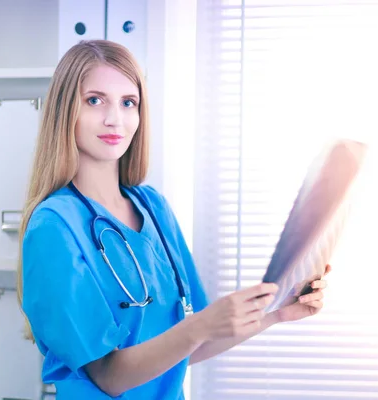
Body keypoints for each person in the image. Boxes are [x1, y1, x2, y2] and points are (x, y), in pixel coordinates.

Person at [18, 40, 330, 400]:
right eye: (94, 100)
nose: (114, 118)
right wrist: (199, 326)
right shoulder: (54, 226)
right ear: (64, 110)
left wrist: (277, 314)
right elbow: (109, 376)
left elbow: (187, 347)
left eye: (128, 102)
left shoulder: (153, 208)